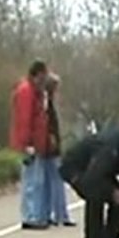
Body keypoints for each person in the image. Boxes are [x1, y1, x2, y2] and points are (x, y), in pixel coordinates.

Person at [58, 126, 119, 238]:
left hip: (100, 171)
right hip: (76, 167)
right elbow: (94, 176)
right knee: (96, 194)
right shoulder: (110, 147)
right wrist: (112, 190)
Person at [9, 59, 51, 229]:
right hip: (31, 144)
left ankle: (34, 214)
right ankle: (30, 216)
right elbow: (24, 119)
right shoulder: (27, 92)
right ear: (37, 74)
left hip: (37, 143)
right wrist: (27, 144)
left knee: (36, 180)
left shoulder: (35, 92)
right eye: (43, 75)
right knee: (31, 181)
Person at [43, 73, 75, 227]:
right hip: (49, 147)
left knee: (53, 181)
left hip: (51, 146)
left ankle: (57, 213)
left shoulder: (49, 103)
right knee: (55, 180)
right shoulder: (46, 104)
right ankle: (58, 214)